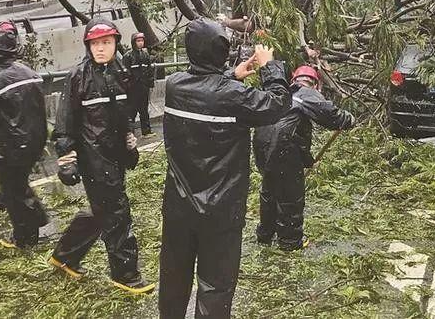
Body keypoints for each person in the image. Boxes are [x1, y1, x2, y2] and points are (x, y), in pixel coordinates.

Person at [159, 18, 291, 319]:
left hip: (179, 206)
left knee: (174, 275)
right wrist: (269, 66)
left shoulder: (174, 85)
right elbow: (278, 104)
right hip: (221, 209)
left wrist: (232, 74)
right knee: (216, 285)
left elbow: (207, 90)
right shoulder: (233, 96)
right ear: (220, 51)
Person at [48, 18, 154, 295]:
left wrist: (130, 143)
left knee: (102, 211)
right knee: (117, 212)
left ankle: (64, 255)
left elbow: (125, 114)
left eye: (106, 42)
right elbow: (65, 121)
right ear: (88, 45)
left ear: (116, 43)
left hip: (114, 154)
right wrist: (67, 158)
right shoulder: (78, 76)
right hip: (92, 156)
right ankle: (126, 275)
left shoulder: (122, 72)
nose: (100, 48)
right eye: (95, 43)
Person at [253, 63, 355, 251]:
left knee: (269, 190)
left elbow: (298, 136)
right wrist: (348, 119)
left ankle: (265, 234)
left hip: (262, 146)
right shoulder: (307, 93)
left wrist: (307, 161)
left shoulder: (281, 92)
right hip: (283, 148)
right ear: (316, 84)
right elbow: (331, 115)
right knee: (290, 196)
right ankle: (290, 242)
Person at [0, 26, 49, 248]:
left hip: (10, 146)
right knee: (20, 185)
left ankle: (25, 236)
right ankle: (32, 227)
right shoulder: (30, 74)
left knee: (12, 192)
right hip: (35, 141)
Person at [122, 32, 154, 136]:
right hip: (132, 89)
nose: (141, 43)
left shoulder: (145, 55)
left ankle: (146, 132)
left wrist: (150, 84)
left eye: (142, 40)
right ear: (134, 42)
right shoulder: (128, 56)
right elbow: (125, 73)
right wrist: (127, 86)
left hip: (143, 88)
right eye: (138, 41)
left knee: (144, 110)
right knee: (131, 111)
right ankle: (130, 133)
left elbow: (149, 71)